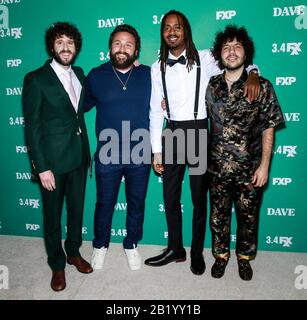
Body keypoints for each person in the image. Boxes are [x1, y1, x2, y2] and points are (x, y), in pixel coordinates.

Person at [145, 10, 260, 275]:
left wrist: (253, 73)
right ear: (163, 33)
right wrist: (156, 150)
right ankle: (176, 248)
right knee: (170, 197)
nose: (172, 32)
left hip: (199, 133)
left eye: (178, 27)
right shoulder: (157, 67)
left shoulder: (207, 57)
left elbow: (239, 63)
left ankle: (197, 252)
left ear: (186, 30)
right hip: (172, 133)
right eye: (167, 28)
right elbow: (154, 109)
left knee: (199, 199)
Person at [206, 25, 284, 280]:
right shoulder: (211, 85)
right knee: (218, 217)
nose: (231, 51)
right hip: (216, 168)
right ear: (219, 53)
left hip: (249, 170)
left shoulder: (261, 85)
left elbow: (269, 128)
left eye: (237, 46)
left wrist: (264, 166)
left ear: (246, 52)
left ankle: (244, 258)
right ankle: (220, 257)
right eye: (226, 47)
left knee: (248, 219)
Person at [22, 22, 92, 292]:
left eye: (70, 42)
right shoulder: (36, 78)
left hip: (79, 157)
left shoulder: (80, 74)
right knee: (52, 216)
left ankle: (73, 252)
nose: (66, 47)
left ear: (76, 47)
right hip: (51, 163)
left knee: (76, 211)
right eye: (60, 42)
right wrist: (41, 167)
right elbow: (33, 127)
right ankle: (57, 264)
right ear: (52, 46)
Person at [84, 24, 151, 271]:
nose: (122, 49)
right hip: (107, 153)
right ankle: (100, 246)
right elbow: (77, 105)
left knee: (136, 204)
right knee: (104, 204)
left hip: (140, 153)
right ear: (110, 48)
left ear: (136, 50)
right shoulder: (95, 75)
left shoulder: (148, 74)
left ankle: (131, 244)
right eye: (117, 44)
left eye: (128, 44)